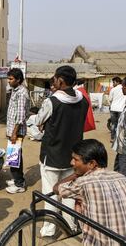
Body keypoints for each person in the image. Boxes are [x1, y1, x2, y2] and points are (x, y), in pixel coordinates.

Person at [54, 139, 126, 246]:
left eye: (75, 159)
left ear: (92, 164)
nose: (71, 162)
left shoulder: (84, 183)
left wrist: (76, 174)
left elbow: (56, 188)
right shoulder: (122, 178)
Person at [34, 65, 88, 237]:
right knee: (69, 194)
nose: (53, 81)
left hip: (52, 155)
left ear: (61, 80)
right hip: (74, 157)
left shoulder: (52, 101)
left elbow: (38, 120)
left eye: (55, 78)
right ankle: (70, 226)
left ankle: (49, 229)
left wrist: (42, 122)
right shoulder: (83, 100)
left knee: (50, 193)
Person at [5, 68, 30, 194]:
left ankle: (19, 184)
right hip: (12, 130)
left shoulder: (21, 93)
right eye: (8, 78)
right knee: (13, 155)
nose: (8, 81)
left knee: (14, 156)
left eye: (11, 79)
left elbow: (20, 117)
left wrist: (14, 133)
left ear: (18, 80)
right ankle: (17, 179)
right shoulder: (15, 90)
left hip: (17, 131)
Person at [109, 77, 126, 142]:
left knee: (113, 124)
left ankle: (112, 138)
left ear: (117, 82)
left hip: (113, 109)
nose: (112, 84)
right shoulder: (125, 88)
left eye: (113, 82)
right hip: (121, 109)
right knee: (121, 124)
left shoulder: (113, 90)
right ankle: (120, 138)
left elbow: (110, 99)